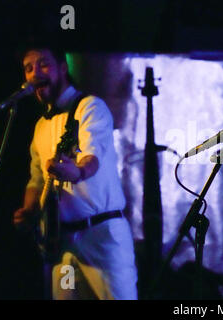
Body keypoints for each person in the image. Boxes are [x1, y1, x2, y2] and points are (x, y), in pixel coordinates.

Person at [13, 46, 138, 300]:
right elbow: (36, 179)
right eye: (28, 68)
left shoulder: (89, 107)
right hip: (63, 244)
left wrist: (78, 172)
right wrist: (27, 211)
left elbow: (93, 157)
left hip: (103, 240)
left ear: (62, 67)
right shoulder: (40, 126)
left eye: (43, 65)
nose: (35, 73)